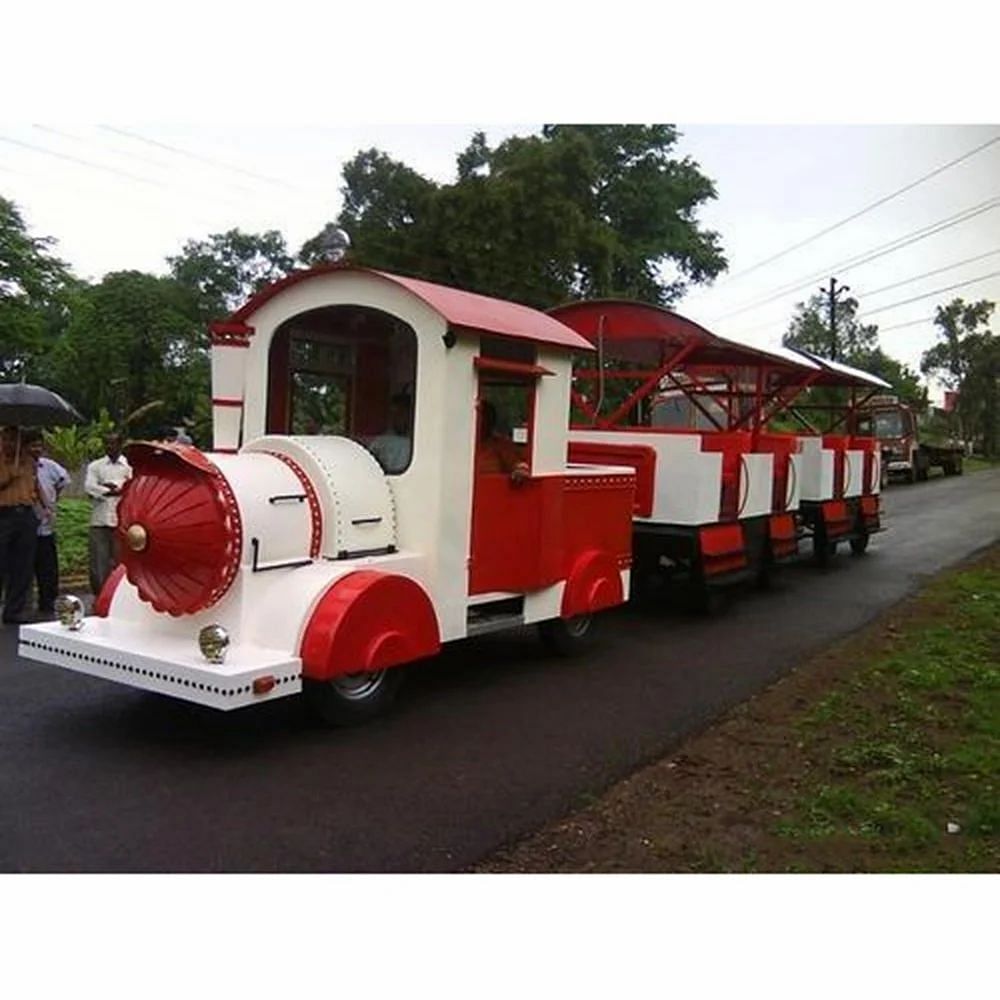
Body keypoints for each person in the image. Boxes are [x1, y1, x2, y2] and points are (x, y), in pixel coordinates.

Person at [26, 431, 71, 616]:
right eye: (32, 445)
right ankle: (24, 605)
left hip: (46, 525)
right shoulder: (19, 466)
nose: (35, 449)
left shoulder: (51, 467)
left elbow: (62, 482)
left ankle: (47, 603)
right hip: (25, 525)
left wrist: (51, 504)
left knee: (48, 568)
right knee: (24, 567)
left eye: (38, 445)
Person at [0, 426, 40, 625]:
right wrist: (9, 476)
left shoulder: (29, 461)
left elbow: (34, 485)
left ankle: (14, 611)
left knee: (22, 566)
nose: (10, 444)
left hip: (25, 514)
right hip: (3, 515)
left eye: (14, 440)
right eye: (6, 439)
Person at [84, 434, 132, 596]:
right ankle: (101, 595)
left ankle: (121, 595)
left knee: (122, 561)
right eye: (107, 444)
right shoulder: (95, 466)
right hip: (100, 519)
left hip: (122, 520)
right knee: (99, 562)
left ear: (120, 445)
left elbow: (132, 487)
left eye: (113, 444)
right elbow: (90, 487)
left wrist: (115, 489)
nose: (110, 447)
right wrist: (109, 491)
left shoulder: (129, 466)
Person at [475, 400, 530, 484]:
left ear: (492, 421)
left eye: (484, 417)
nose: (480, 421)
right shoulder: (459, 444)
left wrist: (520, 471)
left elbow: (521, 467)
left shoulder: (502, 445)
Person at [367, 393, 413, 473]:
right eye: (395, 413)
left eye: (402, 413)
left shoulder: (417, 443)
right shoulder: (380, 442)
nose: (398, 417)